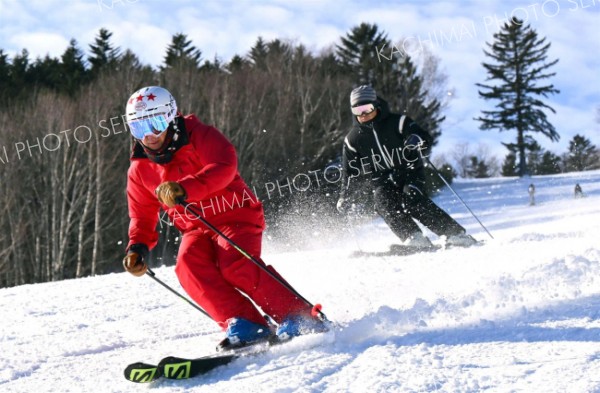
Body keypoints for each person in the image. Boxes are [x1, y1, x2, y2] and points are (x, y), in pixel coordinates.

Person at [121, 86, 326, 350]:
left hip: (235, 214)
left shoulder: (199, 135)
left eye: (156, 124)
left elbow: (224, 167)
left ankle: (296, 315)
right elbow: (141, 215)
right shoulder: (139, 170)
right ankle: (245, 322)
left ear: (171, 117)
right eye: (139, 129)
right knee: (187, 265)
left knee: (234, 262)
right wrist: (136, 247)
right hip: (196, 228)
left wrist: (186, 188)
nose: (149, 136)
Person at [336, 85, 476, 249]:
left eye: (367, 108)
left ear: (376, 105)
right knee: (382, 202)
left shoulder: (398, 122)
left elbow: (423, 136)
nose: (363, 114)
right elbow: (350, 172)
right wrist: (345, 196)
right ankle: (414, 238)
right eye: (357, 110)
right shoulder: (353, 139)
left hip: (409, 172)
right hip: (382, 180)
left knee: (412, 198)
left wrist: (416, 139)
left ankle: (455, 234)